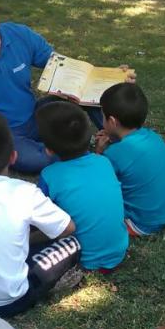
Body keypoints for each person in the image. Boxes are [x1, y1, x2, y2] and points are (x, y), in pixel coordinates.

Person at [0, 0, 128, 174]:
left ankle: (125, 142)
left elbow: (62, 68)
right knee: (34, 161)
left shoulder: (19, 35)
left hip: (35, 115)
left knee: (85, 90)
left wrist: (109, 77)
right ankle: (83, 152)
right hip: (5, 133)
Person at [0, 111, 81, 317]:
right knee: (73, 243)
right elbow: (68, 228)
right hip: (10, 301)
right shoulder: (25, 192)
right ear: (13, 156)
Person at [37, 101, 127, 272]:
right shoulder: (104, 161)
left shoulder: (49, 175)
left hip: (80, 257)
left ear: (49, 150)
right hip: (118, 251)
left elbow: (41, 218)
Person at [94, 83, 165, 237]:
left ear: (112, 121)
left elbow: (96, 182)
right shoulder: (154, 137)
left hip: (140, 223)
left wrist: (99, 152)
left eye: (102, 116)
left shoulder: (114, 153)